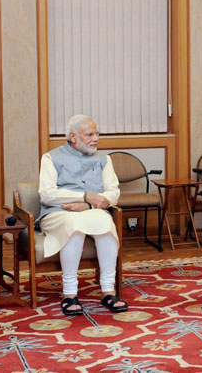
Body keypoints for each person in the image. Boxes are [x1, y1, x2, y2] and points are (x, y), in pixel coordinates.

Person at [38, 114, 126, 316]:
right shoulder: (51, 158)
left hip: (91, 210)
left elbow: (113, 192)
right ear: (73, 137)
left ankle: (108, 291)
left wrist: (88, 204)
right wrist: (85, 195)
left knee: (106, 223)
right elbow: (47, 194)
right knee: (74, 228)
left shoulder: (104, 160)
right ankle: (69, 294)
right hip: (59, 212)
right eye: (90, 134)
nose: (96, 138)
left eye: (97, 134)